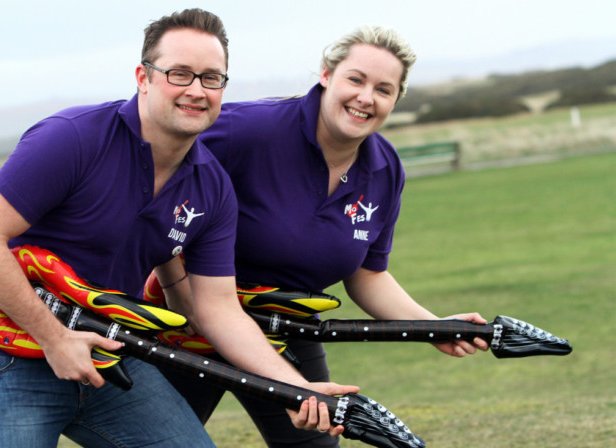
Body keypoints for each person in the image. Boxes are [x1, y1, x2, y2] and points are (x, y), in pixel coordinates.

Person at [0, 8, 355, 448]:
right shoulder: (72, 138)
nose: (197, 90)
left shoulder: (212, 187)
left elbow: (218, 310)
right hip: (5, 353)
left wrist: (297, 388)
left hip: (113, 353)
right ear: (143, 77)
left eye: (211, 78)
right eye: (180, 74)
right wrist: (54, 338)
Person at [153, 24, 490, 447]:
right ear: (327, 75)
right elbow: (154, 188)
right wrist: (175, 284)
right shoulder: (246, 130)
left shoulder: (385, 168)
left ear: (395, 100)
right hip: (184, 323)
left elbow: (368, 276)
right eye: (356, 79)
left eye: (384, 89)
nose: (366, 97)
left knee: (314, 443)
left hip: (287, 326)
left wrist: (433, 325)